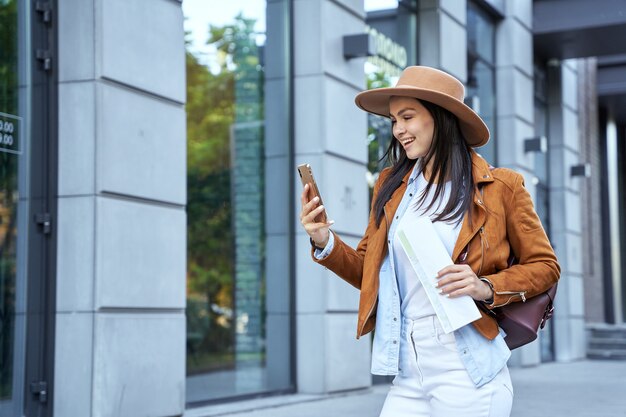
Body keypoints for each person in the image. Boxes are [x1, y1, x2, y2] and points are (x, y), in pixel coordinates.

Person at [299, 66, 560, 417]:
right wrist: (324, 240)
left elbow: (546, 267)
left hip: (468, 370)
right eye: (394, 120)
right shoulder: (391, 188)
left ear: (441, 117)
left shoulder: (502, 188)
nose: (398, 130)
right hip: (408, 369)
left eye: (407, 117)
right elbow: (370, 274)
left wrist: (485, 286)